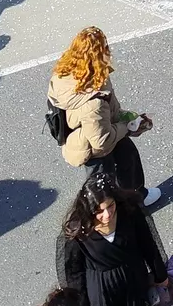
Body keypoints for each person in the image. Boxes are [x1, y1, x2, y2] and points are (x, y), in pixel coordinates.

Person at [56, 174, 173, 306]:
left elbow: (148, 244)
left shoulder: (130, 212)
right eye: (99, 211)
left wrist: (160, 275)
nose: (107, 215)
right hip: (101, 289)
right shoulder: (80, 230)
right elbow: (73, 272)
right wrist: (80, 305)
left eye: (110, 206)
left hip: (132, 279)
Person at [46, 26, 153, 202]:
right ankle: (118, 213)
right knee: (102, 185)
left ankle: (137, 196)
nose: (108, 52)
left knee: (127, 153)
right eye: (105, 48)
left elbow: (110, 111)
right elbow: (101, 142)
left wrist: (129, 117)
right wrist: (127, 127)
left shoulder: (65, 73)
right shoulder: (93, 101)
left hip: (90, 131)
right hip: (93, 146)